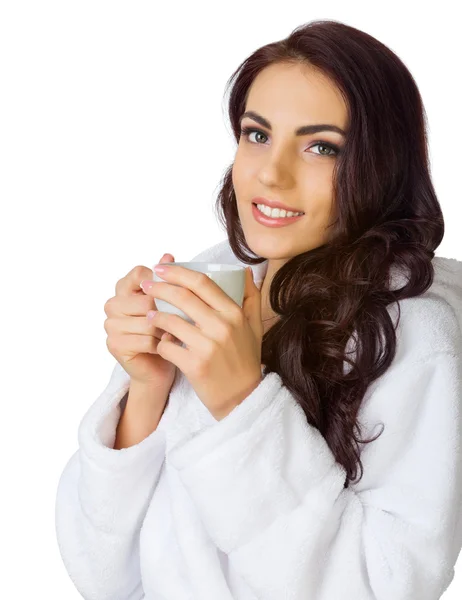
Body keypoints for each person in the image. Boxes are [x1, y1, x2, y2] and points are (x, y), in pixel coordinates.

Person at [55, 19, 462, 599]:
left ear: (381, 165)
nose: (272, 174)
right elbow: (103, 577)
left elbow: (382, 586)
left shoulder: (410, 335)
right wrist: (145, 392)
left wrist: (240, 403)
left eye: (322, 147)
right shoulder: (212, 287)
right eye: (257, 134)